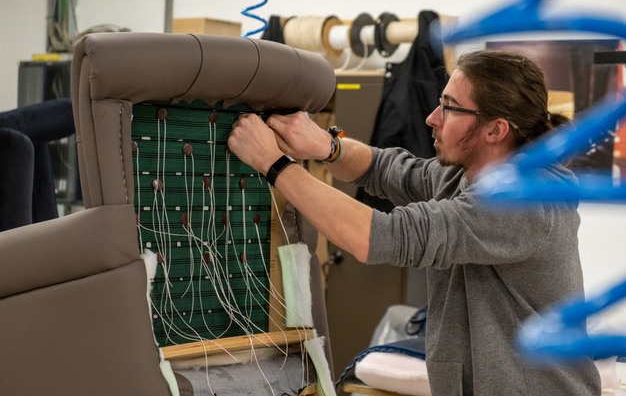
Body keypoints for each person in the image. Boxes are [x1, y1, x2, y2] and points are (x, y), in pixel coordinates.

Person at [227, 50, 601, 395]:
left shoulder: (524, 201)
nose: (432, 118)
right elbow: (386, 168)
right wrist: (326, 145)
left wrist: (274, 164)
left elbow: (377, 235)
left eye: (449, 108)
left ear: (495, 130)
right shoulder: (466, 175)